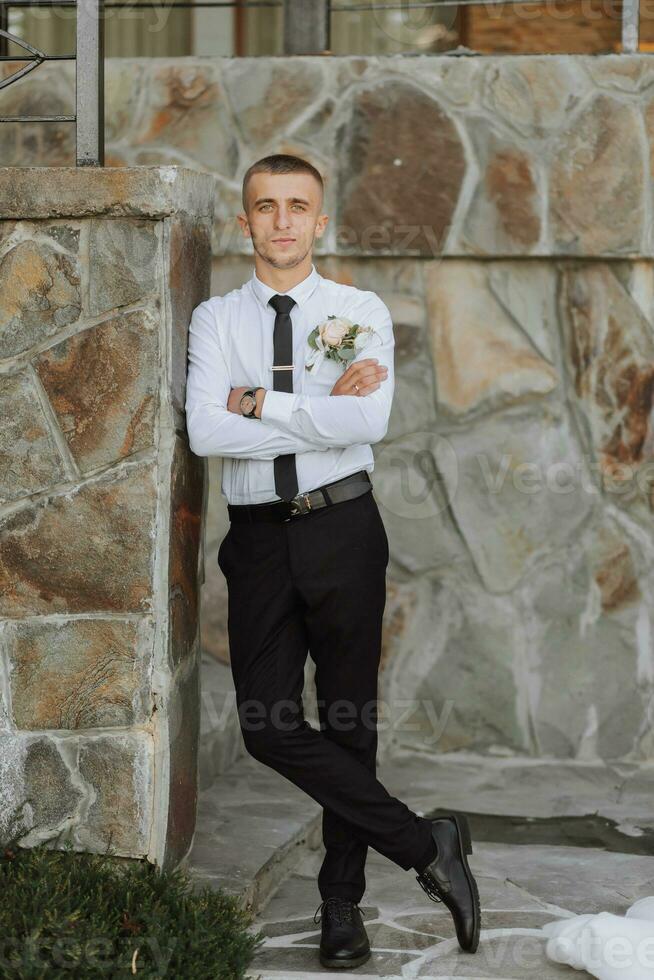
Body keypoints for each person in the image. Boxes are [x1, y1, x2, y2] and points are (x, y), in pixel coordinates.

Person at [184, 153, 481, 969]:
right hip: (258, 540)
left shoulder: (358, 309)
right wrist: (322, 413)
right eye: (265, 206)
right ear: (244, 221)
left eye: (297, 206)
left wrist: (260, 402)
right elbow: (208, 433)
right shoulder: (215, 320)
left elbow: (371, 420)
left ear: (321, 221)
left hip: (344, 530)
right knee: (268, 725)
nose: (281, 220)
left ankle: (340, 907)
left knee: (351, 720)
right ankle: (428, 845)